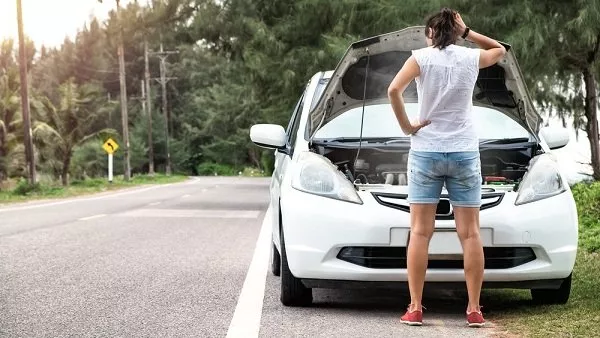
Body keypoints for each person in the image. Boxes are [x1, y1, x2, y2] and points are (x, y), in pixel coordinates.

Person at [387, 8, 507, 328]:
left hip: (425, 151)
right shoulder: (469, 58)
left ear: (429, 33)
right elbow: (500, 50)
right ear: (456, 32)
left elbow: (393, 90)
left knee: (420, 232)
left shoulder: (420, 58)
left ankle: (414, 307)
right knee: (470, 234)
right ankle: (473, 309)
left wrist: (408, 127)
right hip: (465, 153)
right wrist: (468, 33)